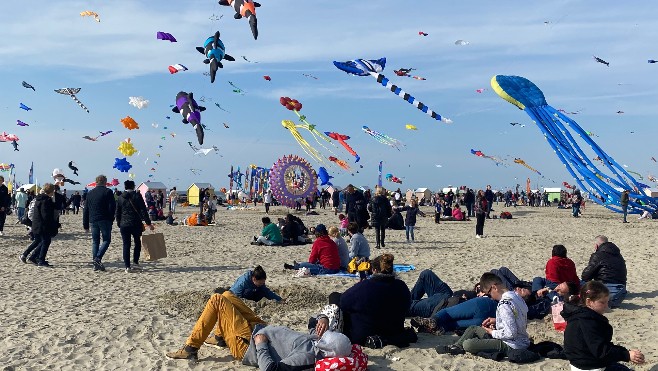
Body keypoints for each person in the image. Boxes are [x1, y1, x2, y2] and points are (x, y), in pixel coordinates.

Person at [166, 290, 352, 368]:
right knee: (227, 294)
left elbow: (272, 369)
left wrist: (261, 345)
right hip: (261, 328)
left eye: (327, 338)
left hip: (248, 345)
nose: (324, 336)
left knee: (217, 300)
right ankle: (221, 337)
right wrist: (323, 319)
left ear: (328, 349)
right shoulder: (316, 341)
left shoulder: (307, 356)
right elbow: (313, 322)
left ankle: (191, 349)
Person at [318, 254, 413, 348]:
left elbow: (343, 303)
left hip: (364, 335)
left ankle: (323, 319)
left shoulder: (365, 286)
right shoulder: (401, 286)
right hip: (394, 331)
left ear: (374, 270)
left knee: (335, 296)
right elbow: (407, 306)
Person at [436, 273, 530, 356]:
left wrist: (491, 332)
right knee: (473, 328)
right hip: (522, 340)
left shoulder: (504, 304)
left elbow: (510, 333)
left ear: (494, 288)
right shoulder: (517, 297)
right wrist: (497, 321)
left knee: (468, 344)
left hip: (512, 344)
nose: (491, 297)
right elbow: (517, 319)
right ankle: (456, 347)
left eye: (489, 293)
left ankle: (461, 346)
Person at [562, 281, 645, 370]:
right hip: (588, 366)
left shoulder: (581, 314)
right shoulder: (587, 321)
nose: (606, 306)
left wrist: (626, 353)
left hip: (582, 361)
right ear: (589, 301)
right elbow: (601, 350)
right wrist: (627, 355)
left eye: (607, 302)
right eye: (603, 302)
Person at [115, 180, 154, 273]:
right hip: (136, 223)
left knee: (126, 244)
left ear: (125, 187)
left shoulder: (120, 197)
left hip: (124, 224)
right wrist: (148, 223)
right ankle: (135, 262)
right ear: (133, 186)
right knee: (137, 243)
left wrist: (119, 223)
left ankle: (127, 266)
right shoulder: (137, 196)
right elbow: (143, 211)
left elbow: (117, 212)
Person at [582, 236, 627, 308]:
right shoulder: (619, 255)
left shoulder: (598, 255)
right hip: (620, 293)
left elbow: (585, 276)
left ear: (596, 246)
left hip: (603, 291)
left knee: (580, 283)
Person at [83, 175, 116, 272]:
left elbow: (86, 209)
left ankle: (95, 262)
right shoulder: (108, 192)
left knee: (95, 241)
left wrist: (85, 224)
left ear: (96, 182)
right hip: (105, 219)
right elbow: (112, 207)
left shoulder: (90, 193)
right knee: (106, 240)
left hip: (93, 219)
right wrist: (111, 218)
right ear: (105, 182)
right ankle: (97, 258)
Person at [19, 183, 58, 267]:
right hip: (42, 225)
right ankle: (41, 260)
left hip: (36, 224)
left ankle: (27, 255)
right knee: (46, 241)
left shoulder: (38, 199)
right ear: (51, 191)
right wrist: (52, 224)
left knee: (38, 241)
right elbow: (45, 215)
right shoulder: (46, 200)